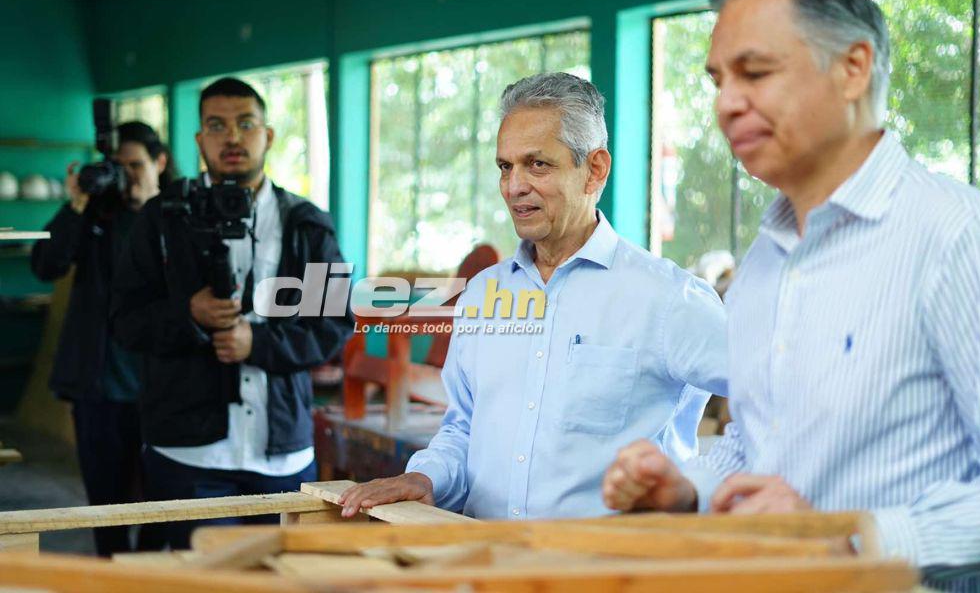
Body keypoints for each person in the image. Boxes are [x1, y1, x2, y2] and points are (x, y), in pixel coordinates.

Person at [601, 0, 980, 591]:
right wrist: (689, 490)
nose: (726, 104)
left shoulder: (958, 237)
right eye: (718, 79)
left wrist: (852, 541)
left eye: (756, 72)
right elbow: (758, 448)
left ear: (852, 68)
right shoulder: (766, 262)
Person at [337, 72, 728, 520]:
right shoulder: (483, 295)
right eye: (505, 166)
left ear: (595, 169)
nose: (513, 186)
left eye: (537, 164)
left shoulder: (668, 299)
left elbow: (780, 411)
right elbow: (464, 429)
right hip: (486, 568)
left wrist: (698, 487)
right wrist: (426, 477)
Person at [110, 78, 353, 548]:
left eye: (246, 123)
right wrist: (189, 316)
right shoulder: (161, 219)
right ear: (200, 140)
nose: (233, 137)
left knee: (283, 581)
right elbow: (124, 320)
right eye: (217, 126)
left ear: (268, 134)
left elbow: (332, 324)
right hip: (187, 454)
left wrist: (255, 343)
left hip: (282, 455)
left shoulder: (306, 224)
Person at [31, 121, 175, 556]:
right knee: (105, 506)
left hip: (165, 389)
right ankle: (111, 573)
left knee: (165, 503)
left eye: (136, 165)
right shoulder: (96, 216)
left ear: (160, 162)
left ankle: (148, 574)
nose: (127, 176)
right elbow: (46, 264)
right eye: (118, 167)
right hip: (100, 388)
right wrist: (76, 204)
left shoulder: (178, 215)